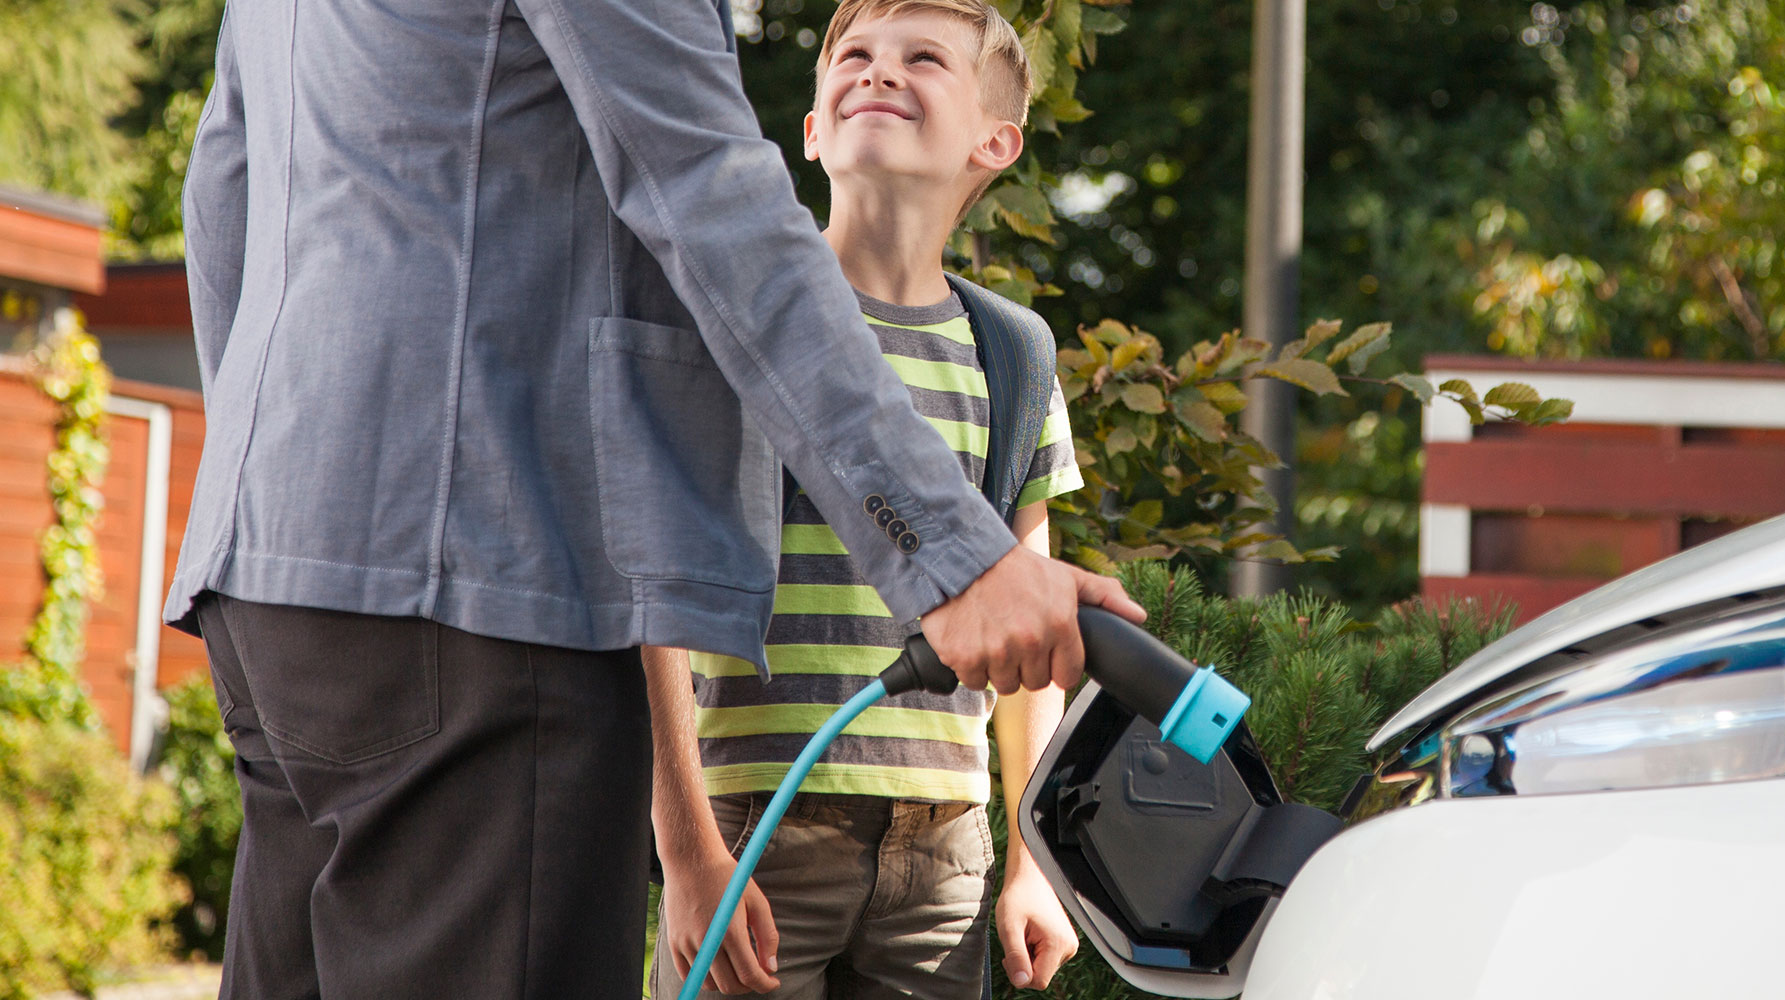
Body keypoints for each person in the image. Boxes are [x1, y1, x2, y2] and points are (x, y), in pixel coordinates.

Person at [172, 0, 1139, 996]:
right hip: (480, 575)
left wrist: (282, 470)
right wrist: (953, 555)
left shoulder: (1008, 352)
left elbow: (224, 190)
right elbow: (705, 192)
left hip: (276, 567)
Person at [647, 3, 1087, 995]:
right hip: (753, 824)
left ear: (994, 141)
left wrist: (1034, 860)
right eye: (852, 56)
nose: (878, 73)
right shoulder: (735, 324)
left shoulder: (1011, 356)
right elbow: (652, 597)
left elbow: (1031, 631)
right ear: (810, 131)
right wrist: (686, 849)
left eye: (922, 57)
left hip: (946, 851)